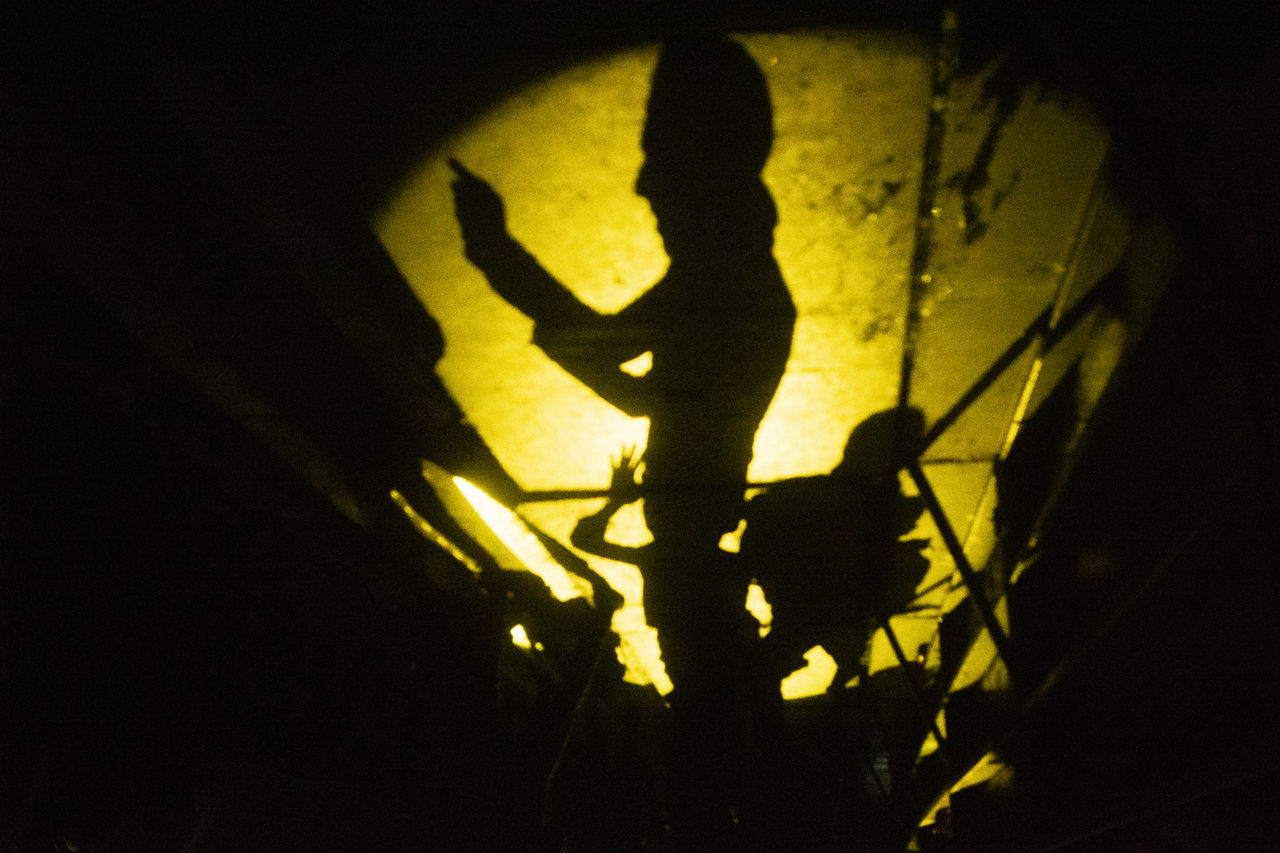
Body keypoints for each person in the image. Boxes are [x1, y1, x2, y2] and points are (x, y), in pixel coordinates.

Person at [452, 34, 795, 838]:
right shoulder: (728, 284)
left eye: (659, 157)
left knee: (702, 743)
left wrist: (497, 254)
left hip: (689, 551)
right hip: (689, 549)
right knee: (703, 739)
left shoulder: (727, 288)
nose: (644, 183)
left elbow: (612, 369)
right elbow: (624, 378)